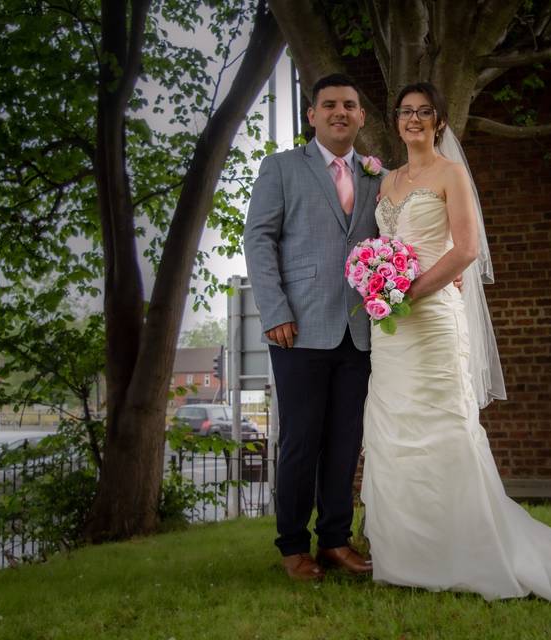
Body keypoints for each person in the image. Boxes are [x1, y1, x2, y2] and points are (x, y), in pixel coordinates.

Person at [360, 82, 551, 603]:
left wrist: (410, 290)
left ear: (438, 122)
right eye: (405, 112)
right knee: (394, 430)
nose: (413, 120)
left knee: (443, 427)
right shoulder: (386, 181)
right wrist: (378, 283)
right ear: (395, 121)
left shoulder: (451, 174)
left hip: (432, 317)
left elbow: (465, 250)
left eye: (424, 113)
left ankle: (469, 549)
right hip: (392, 327)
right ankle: (408, 555)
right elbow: (383, 246)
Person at [244, 74, 382, 581]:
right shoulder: (280, 168)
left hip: (360, 332)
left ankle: (335, 541)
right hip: (296, 328)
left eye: (350, 104)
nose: (339, 112)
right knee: (301, 439)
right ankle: (292, 545)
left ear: (362, 116)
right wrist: (275, 309)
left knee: (347, 440)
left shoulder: (376, 176)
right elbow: (258, 239)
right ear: (313, 115)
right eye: (329, 105)